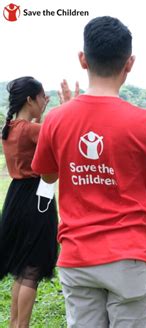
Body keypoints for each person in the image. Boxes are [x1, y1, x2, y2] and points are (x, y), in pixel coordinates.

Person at [31, 16, 146, 327]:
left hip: (78, 257)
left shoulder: (55, 119)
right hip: (132, 258)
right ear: (129, 63)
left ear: (83, 59)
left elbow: (49, 176)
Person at [0, 77, 58, 328]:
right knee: (32, 268)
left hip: (16, 197)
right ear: (30, 99)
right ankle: (22, 325)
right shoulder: (32, 129)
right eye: (43, 97)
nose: (45, 101)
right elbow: (55, 143)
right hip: (37, 197)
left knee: (21, 268)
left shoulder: (10, 128)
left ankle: (15, 324)